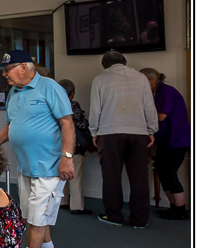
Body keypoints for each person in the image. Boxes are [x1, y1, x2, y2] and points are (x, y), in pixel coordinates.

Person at [0, 49, 75, 248]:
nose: (5, 75)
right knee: (34, 216)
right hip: (26, 166)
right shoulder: (14, 92)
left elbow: (66, 122)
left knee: (39, 216)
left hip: (49, 166)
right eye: (3, 71)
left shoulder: (50, 87)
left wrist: (67, 157)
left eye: (8, 70)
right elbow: (11, 125)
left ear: (24, 67)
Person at [88, 51, 158, 228]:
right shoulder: (141, 78)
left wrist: (94, 132)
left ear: (105, 65)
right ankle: (140, 220)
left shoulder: (100, 79)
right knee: (139, 177)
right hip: (138, 132)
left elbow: (95, 109)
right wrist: (151, 130)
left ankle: (114, 216)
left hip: (109, 133)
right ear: (124, 62)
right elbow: (149, 106)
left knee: (111, 177)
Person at [139, 67, 190, 220]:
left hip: (176, 140)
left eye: (143, 80)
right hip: (165, 141)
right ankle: (174, 206)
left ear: (152, 80)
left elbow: (160, 116)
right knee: (161, 170)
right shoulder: (156, 94)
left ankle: (181, 210)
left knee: (169, 172)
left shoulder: (166, 91)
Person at [57, 79, 93, 216]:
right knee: (75, 176)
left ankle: (62, 201)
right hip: (74, 146)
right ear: (72, 93)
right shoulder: (73, 105)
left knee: (61, 176)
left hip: (57, 145)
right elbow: (82, 125)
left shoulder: (51, 104)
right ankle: (77, 206)